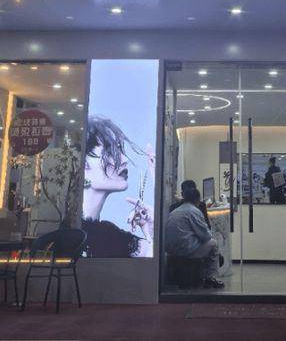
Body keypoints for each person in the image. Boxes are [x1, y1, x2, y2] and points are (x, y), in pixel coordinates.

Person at [82, 116, 154, 258]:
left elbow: (151, 256)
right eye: (110, 151)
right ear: (83, 164)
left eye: (120, 149)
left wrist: (149, 230)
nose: (124, 160)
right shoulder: (103, 235)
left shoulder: (107, 234)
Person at [165, 188, 224, 289]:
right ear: (197, 199)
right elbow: (205, 236)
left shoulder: (175, 211)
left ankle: (201, 275)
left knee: (202, 244)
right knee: (213, 244)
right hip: (186, 251)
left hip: (171, 251)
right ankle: (210, 277)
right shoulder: (194, 211)